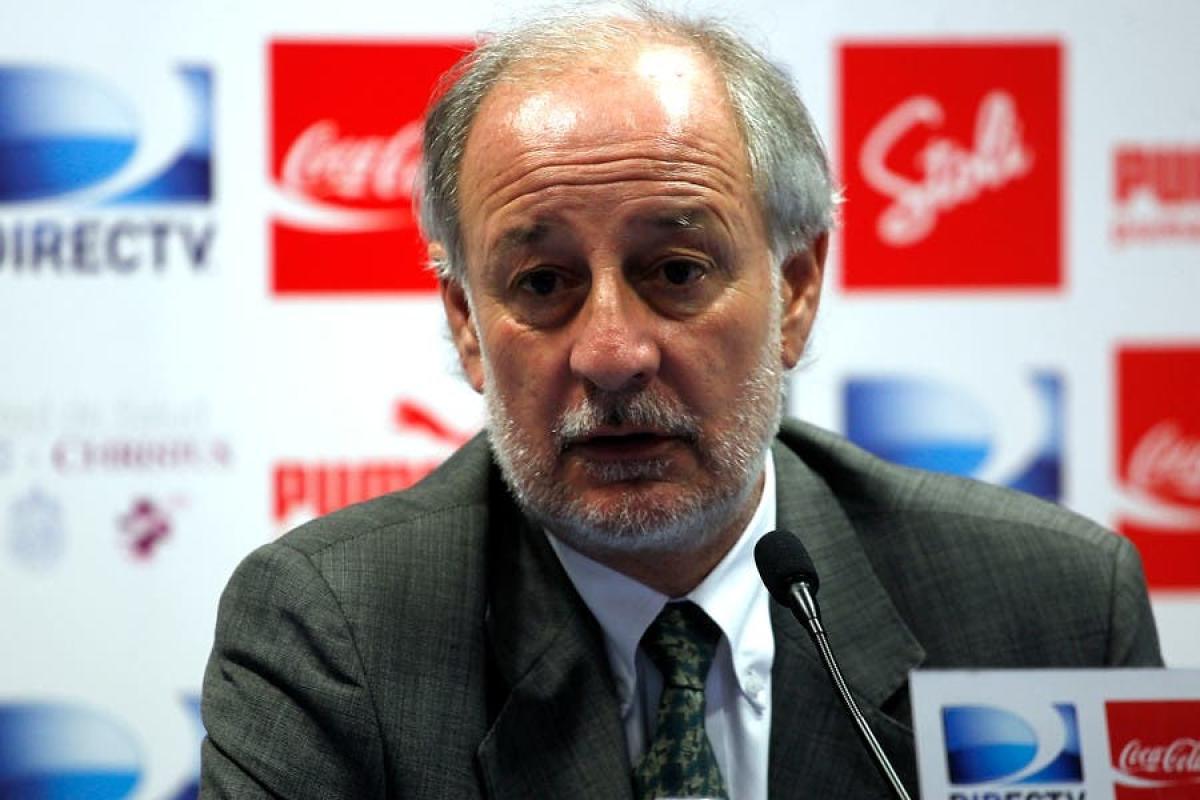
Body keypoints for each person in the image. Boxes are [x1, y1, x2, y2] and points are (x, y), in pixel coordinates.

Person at [199, 3, 1163, 798]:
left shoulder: (1051, 609)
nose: (612, 354)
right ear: (466, 322)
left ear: (795, 290)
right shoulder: (335, 639)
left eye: (676, 269)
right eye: (543, 283)